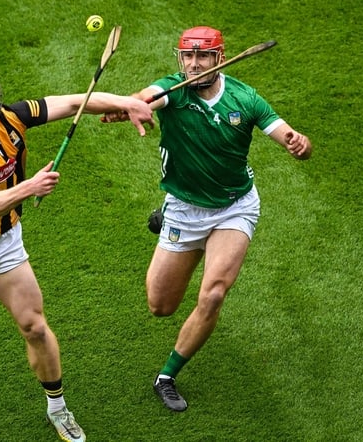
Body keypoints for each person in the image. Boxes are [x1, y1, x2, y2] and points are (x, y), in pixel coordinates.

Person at [0, 59, 153, 440]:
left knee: (35, 327)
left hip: (5, 240)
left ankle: (58, 407)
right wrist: (31, 187)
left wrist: (127, 102)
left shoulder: (11, 117)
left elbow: (74, 102)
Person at [103, 26, 312, 412]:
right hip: (186, 208)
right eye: (188, 56)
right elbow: (145, 97)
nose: (195, 64)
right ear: (180, 58)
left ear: (220, 58)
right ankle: (169, 218)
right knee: (160, 305)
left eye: (203, 56)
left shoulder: (244, 99)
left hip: (234, 206)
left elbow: (288, 135)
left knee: (213, 294)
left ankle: (166, 376)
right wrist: (129, 106)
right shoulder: (173, 89)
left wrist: (297, 143)